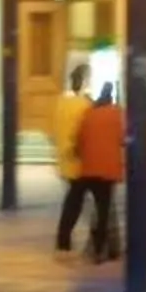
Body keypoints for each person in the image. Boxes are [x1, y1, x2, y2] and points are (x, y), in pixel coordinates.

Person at [69, 84, 125, 264]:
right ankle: (101, 249)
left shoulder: (88, 114)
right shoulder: (117, 114)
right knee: (103, 211)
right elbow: (125, 138)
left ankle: (95, 247)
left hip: (88, 169)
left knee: (93, 208)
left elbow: (78, 142)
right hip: (107, 171)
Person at [50, 65, 95, 254]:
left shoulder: (61, 102)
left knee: (74, 199)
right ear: (84, 81)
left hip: (64, 158)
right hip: (80, 160)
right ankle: (66, 238)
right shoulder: (85, 105)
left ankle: (64, 238)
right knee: (78, 201)